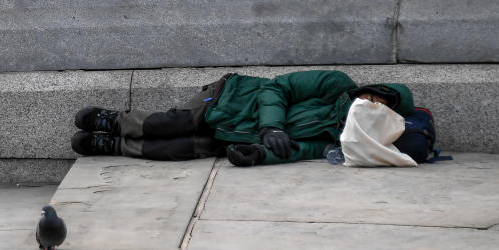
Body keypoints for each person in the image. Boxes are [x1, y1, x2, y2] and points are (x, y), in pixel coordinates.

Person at [70, 70, 416, 167]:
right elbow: (277, 88)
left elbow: (300, 150)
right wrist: (271, 126)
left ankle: (114, 147)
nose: (369, 102)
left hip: (239, 135)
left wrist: (257, 155)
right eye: (371, 95)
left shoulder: (345, 136)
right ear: (368, 89)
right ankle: (113, 121)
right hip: (231, 98)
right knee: (175, 124)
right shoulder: (336, 85)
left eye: (378, 105)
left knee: (180, 150)